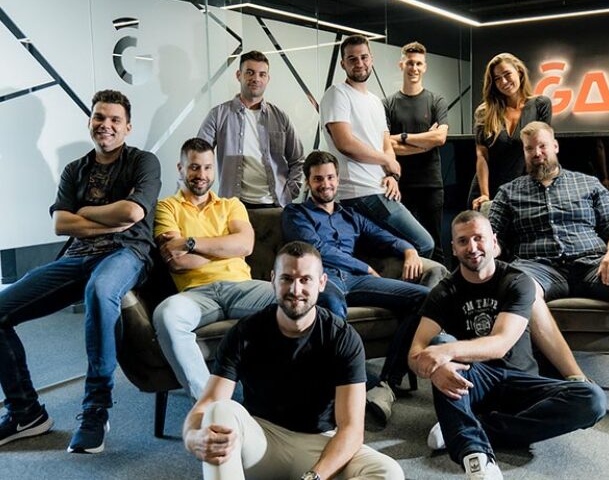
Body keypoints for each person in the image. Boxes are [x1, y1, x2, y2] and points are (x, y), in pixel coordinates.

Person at [0, 90, 161, 453]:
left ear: (128, 127)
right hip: (76, 257)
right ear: (90, 121)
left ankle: (95, 410)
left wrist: (83, 212)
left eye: (115, 119)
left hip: (125, 254)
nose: (106, 125)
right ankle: (26, 413)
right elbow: (61, 224)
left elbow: (133, 213)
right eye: (99, 117)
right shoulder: (75, 169)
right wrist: (104, 216)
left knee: (100, 290)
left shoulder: (144, 162)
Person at [489, 121, 609, 438]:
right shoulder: (508, 192)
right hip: (538, 265)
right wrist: (487, 247)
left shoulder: (587, 184)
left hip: (592, 263)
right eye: (530, 149)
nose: (537, 153)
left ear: (555, 146)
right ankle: (577, 380)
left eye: (542, 146)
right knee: (520, 286)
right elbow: (494, 238)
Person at [182, 241, 404, 480]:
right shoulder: (245, 332)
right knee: (220, 411)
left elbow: (351, 430)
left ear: (322, 283)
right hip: (261, 441)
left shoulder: (342, 338)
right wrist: (192, 437)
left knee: (388, 473)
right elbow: (207, 403)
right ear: (273, 280)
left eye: (305, 279)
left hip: (318, 444)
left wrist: (313, 477)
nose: (295, 289)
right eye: (287, 278)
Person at [409, 211, 605, 479]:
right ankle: (475, 455)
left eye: (479, 238)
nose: (472, 247)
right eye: (463, 241)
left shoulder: (517, 281)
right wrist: (433, 368)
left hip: (521, 380)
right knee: (441, 345)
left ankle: (467, 427)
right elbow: (415, 352)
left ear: (494, 241)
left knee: (592, 399)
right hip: (475, 380)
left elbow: (501, 343)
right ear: (453, 248)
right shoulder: (444, 292)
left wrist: (446, 352)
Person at [282, 150, 430, 427]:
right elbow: (315, 249)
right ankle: (340, 389)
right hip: (322, 279)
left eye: (330, 178)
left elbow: (386, 237)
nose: (325, 184)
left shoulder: (351, 216)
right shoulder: (295, 213)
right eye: (318, 179)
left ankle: (387, 383)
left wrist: (409, 250)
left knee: (423, 298)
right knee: (333, 306)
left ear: (338, 180)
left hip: (356, 280)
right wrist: (363, 266)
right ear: (308, 182)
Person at [152, 137, 275, 400]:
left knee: (292, 299)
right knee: (166, 315)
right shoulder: (166, 208)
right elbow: (177, 261)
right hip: (196, 294)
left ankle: (282, 395)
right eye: (194, 167)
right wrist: (225, 250)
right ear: (181, 168)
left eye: (208, 167)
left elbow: (245, 245)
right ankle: (210, 405)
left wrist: (191, 243)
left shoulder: (232, 205)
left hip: (242, 288)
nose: (202, 174)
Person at [320, 34, 434, 257]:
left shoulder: (375, 101)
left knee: (392, 252)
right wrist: (386, 161)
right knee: (424, 244)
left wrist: (392, 175)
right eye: (352, 59)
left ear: (371, 59)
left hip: (381, 188)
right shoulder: (337, 94)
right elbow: (345, 143)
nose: (359, 63)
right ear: (343, 64)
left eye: (364, 57)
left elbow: (385, 143)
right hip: (360, 192)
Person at [197, 50, 304, 208]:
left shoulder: (280, 117)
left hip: (275, 206)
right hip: (233, 206)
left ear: (267, 79)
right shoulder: (218, 115)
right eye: (250, 72)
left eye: (262, 74)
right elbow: (198, 156)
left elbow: (298, 160)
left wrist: (290, 191)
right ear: (239, 75)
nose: (256, 79)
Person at [385, 41, 449, 263]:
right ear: (401, 65)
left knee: (435, 246)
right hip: (400, 186)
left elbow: (440, 138)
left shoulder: (436, 101)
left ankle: (440, 284)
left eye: (419, 64)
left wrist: (403, 137)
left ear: (425, 67)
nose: (414, 68)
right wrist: (425, 143)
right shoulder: (388, 104)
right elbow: (387, 146)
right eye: (410, 63)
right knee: (405, 245)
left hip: (431, 185)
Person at [469, 53, 552, 210]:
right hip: (487, 190)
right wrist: (485, 195)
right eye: (497, 79)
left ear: (519, 72)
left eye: (507, 74)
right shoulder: (484, 112)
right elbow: (482, 155)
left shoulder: (540, 105)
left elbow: (542, 152)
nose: (503, 82)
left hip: (523, 190)